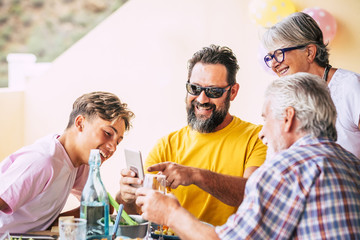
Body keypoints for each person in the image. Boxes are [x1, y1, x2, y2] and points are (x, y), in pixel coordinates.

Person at [136, 72, 360, 239]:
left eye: (266, 118)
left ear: (288, 118)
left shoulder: (287, 168)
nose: (262, 133)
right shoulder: (352, 163)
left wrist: (170, 214)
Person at [116, 45, 267, 226]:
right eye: (194, 88)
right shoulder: (167, 144)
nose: (202, 99)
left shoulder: (257, 138)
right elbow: (141, 214)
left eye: (213, 91)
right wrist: (127, 195)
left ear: (233, 92)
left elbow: (254, 195)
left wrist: (196, 175)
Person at [0, 91, 134, 233]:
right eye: (107, 133)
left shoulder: (80, 162)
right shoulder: (43, 161)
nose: (113, 147)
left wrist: (59, 223)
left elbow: (102, 208)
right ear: (80, 123)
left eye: (117, 142)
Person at [261, 11, 360, 158]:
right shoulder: (286, 98)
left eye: (279, 53)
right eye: (270, 57)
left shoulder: (350, 85)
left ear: (309, 52)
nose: (274, 64)